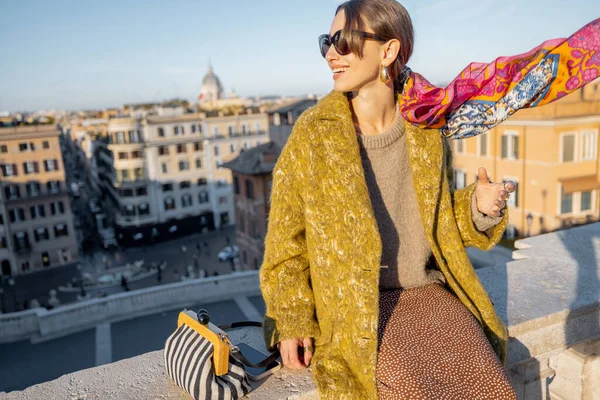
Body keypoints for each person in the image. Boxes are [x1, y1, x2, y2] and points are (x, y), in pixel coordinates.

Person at [259, 1, 599, 399]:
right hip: (357, 313)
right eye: (326, 42)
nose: (332, 53)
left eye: (344, 40)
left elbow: (437, 224)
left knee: (491, 387)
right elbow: (285, 243)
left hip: (428, 296)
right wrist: (293, 318)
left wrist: (478, 208)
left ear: (388, 51)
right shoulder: (312, 136)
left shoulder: (425, 129)